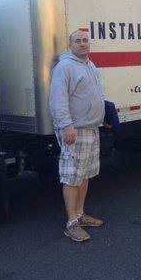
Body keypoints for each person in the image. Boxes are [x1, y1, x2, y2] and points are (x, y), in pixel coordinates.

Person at [49, 29, 105, 242]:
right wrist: (66, 126)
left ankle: (81, 215)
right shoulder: (65, 67)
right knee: (72, 177)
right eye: (78, 41)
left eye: (85, 40)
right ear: (70, 44)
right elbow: (58, 100)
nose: (82, 44)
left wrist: (102, 114)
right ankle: (71, 223)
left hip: (91, 129)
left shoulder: (90, 65)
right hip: (75, 130)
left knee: (85, 174)